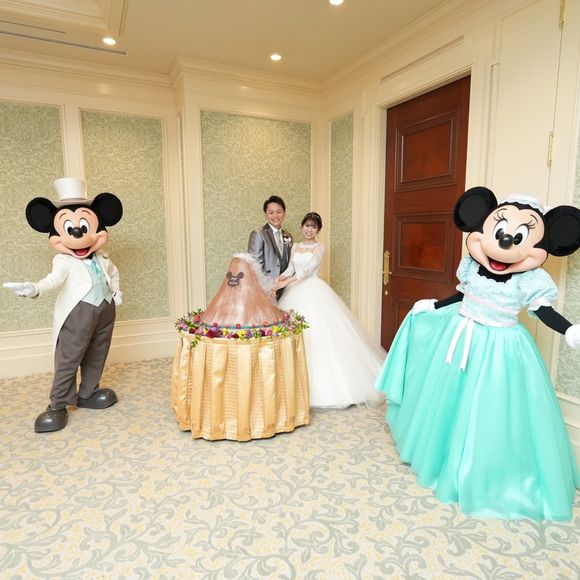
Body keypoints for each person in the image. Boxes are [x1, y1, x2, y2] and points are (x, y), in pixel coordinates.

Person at [375, 187, 580, 520]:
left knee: (491, 409)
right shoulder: (471, 265)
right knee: (449, 400)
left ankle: (483, 474)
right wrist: (434, 306)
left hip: (500, 346)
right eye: (499, 231)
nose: (505, 242)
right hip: (459, 334)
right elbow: (463, 295)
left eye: (518, 236)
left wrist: (568, 329)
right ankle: (441, 457)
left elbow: (542, 310)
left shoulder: (530, 280)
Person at [274, 212, 385, 408]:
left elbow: (305, 272)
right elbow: (291, 269)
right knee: (294, 335)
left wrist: (284, 283)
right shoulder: (296, 246)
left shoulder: (320, 248)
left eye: (314, 227)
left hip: (313, 290)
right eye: (307, 226)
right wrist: (279, 278)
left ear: (318, 230)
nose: (309, 230)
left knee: (319, 334)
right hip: (294, 291)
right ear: (301, 226)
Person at [247, 195, 292, 297]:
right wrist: (266, 287)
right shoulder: (258, 233)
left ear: (284, 213)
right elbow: (254, 265)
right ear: (265, 214)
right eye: (271, 212)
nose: (275, 216)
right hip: (266, 289)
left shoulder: (288, 236)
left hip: (285, 289)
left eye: (279, 212)